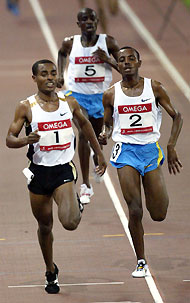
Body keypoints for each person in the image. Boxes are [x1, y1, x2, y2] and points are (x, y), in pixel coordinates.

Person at [6, 59, 107, 293]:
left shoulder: (68, 102)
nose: (50, 77)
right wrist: (24, 140)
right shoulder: (26, 107)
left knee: (70, 223)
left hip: (63, 169)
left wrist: (98, 153)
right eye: (44, 74)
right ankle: (50, 271)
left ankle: (75, 202)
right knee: (44, 226)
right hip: (39, 174)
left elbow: (86, 126)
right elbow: (9, 139)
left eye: (53, 73)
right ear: (34, 79)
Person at [98, 46, 183, 278]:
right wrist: (104, 133)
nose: (126, 63)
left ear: (139, 62)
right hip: (125, 151)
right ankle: (141, 261)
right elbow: (106, 124)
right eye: (122, 59)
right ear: (118, 64)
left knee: (158, 214)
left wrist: (171, 145)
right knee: (135, 210)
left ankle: (143, 253)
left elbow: (178, 116)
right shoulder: (110, 94)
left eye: (131, 59)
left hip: (149, 151)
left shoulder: (154, 88)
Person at [57, 7, 119, 204]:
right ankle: (86, 185)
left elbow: (126, 68)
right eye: (85, 19)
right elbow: (61, 54)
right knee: (83, 133)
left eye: (92, 19)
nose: (89, 22)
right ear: (79, 24)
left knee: (98, 137)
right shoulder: (70, 42)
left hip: (100, 96)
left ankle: (96, 157)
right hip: (77, 95)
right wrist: (60, 74)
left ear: (97, 21)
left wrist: (108, 59)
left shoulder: (107, 42)